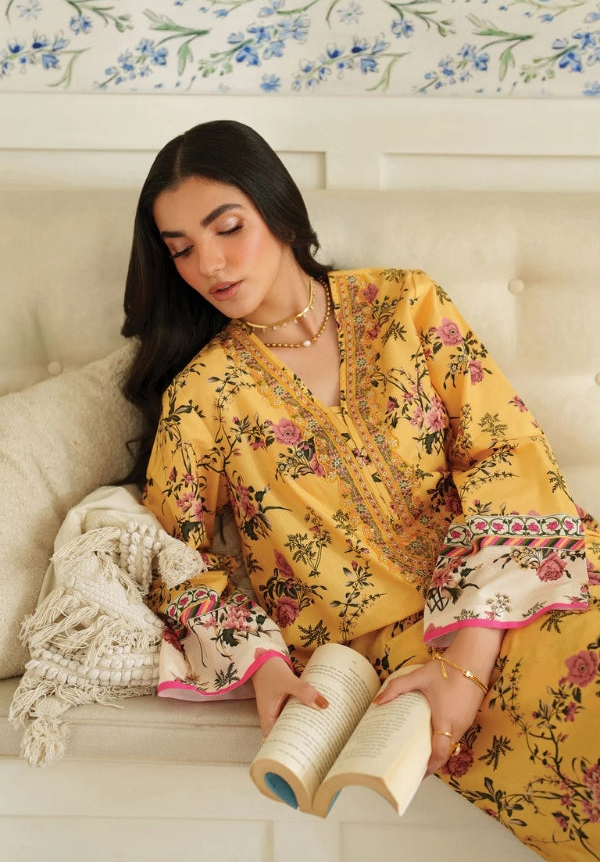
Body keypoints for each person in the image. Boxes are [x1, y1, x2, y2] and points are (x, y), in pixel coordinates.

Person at [122, 119, 600, 861]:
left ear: (277, 209)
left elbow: (506, 455)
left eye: (227, 227)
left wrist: (467, 668)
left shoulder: (405, 304)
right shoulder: (204, 395)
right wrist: (265, 666)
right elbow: (172, 563)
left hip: (531, 580)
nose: (208, 264)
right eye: (180, 249)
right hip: (393, 652)